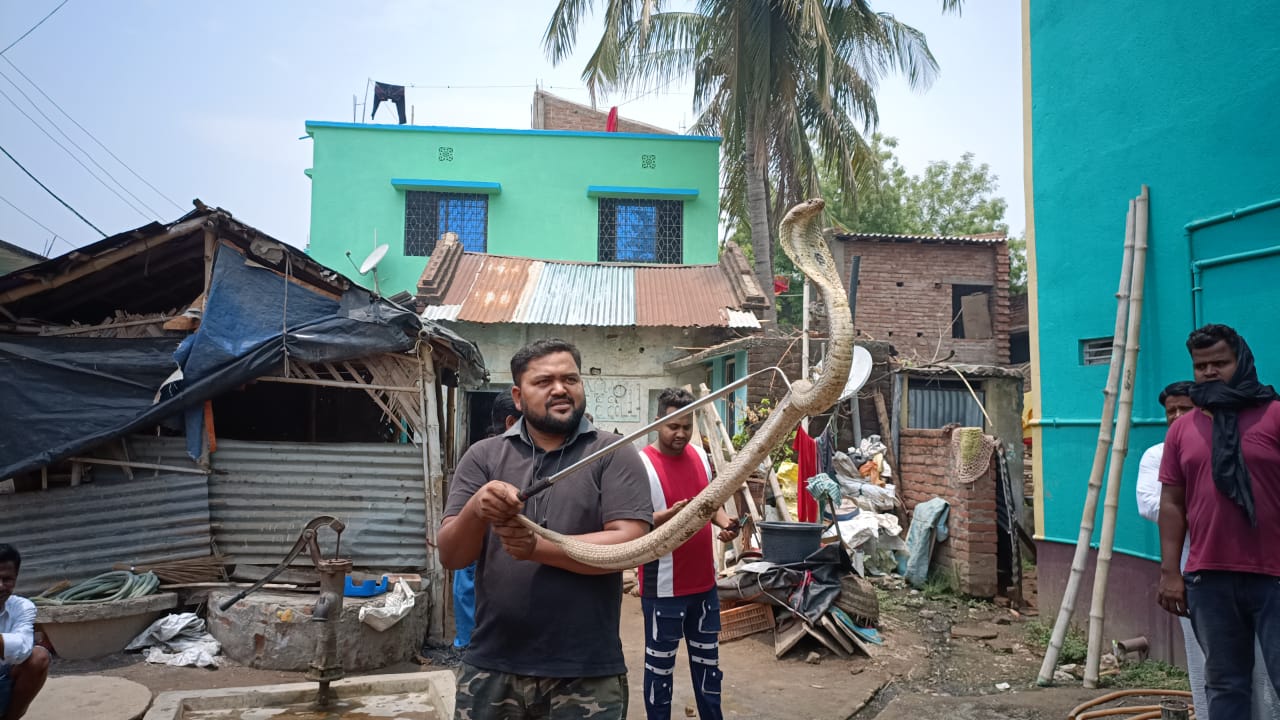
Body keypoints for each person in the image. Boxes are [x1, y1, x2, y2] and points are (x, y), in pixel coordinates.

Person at [438, 338, 653, 719]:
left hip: (586, 671)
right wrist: (476, 508)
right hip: (493, 664)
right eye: (544, 381)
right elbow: (453, 555)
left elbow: (630, 545)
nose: (560, 389)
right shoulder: (484, 456)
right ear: (518, 398)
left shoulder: (613, 453)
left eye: (570, 379)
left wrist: (538, 548)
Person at [1158, 324, 1280, 718]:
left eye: (1220, 363)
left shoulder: (1274, 414)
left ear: (1241, 360)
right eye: (1201, 365)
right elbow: (1172, 504)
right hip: (1209, 579)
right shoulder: (1182, 430)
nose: (1210, 372)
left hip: (1274, 575)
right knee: (1225, 684)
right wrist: (1170, 573)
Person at [637, 388, 738, 720]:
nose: (680, 433)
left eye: (686, 425)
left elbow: (710, 505)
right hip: (663, 589)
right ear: (657, 423)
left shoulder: (699, 456)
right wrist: (666, 517)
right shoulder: (641, 465)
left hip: (704, 585)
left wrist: (726, 524)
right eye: (672, 426)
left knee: (709, 668)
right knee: (660, 671)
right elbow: (630, 525)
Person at [450, 391, 523, 656]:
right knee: (471, 584)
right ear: (510, 422)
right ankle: (471, 642)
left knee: (467, 587)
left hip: (485, 542)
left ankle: (466, 641)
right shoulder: (487, 455)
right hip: (484, 539)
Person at [0, 545, 49, 720]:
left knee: (39, 657)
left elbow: (22, 650)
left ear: (16, 579)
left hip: (3, 682)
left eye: (6, 579)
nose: (0, 586)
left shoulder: (22, 607)